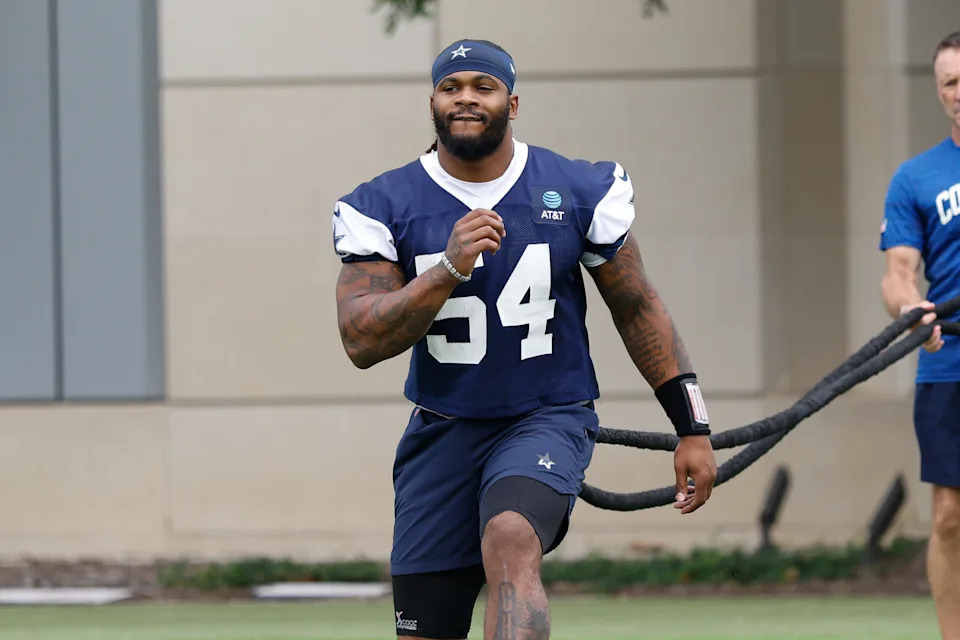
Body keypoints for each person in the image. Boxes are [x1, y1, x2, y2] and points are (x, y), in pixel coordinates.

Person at [333, 39, 717, 640]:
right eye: (450, 87)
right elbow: (361, 341)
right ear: (432, 102)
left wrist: (691, 425)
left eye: (482, 87)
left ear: (511, 104)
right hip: (442, 428)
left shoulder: (574, 187)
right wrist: (445, 269)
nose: (465, 98)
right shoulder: (386, 204)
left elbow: (637, 306)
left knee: (511, 534)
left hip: (545, 416)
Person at [880, 30, 960, 640]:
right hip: (946, 364)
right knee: (950, 517)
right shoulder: (916, 176)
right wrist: (914, 311)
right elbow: (898, 275)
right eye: (950, 83)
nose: (959, 93)